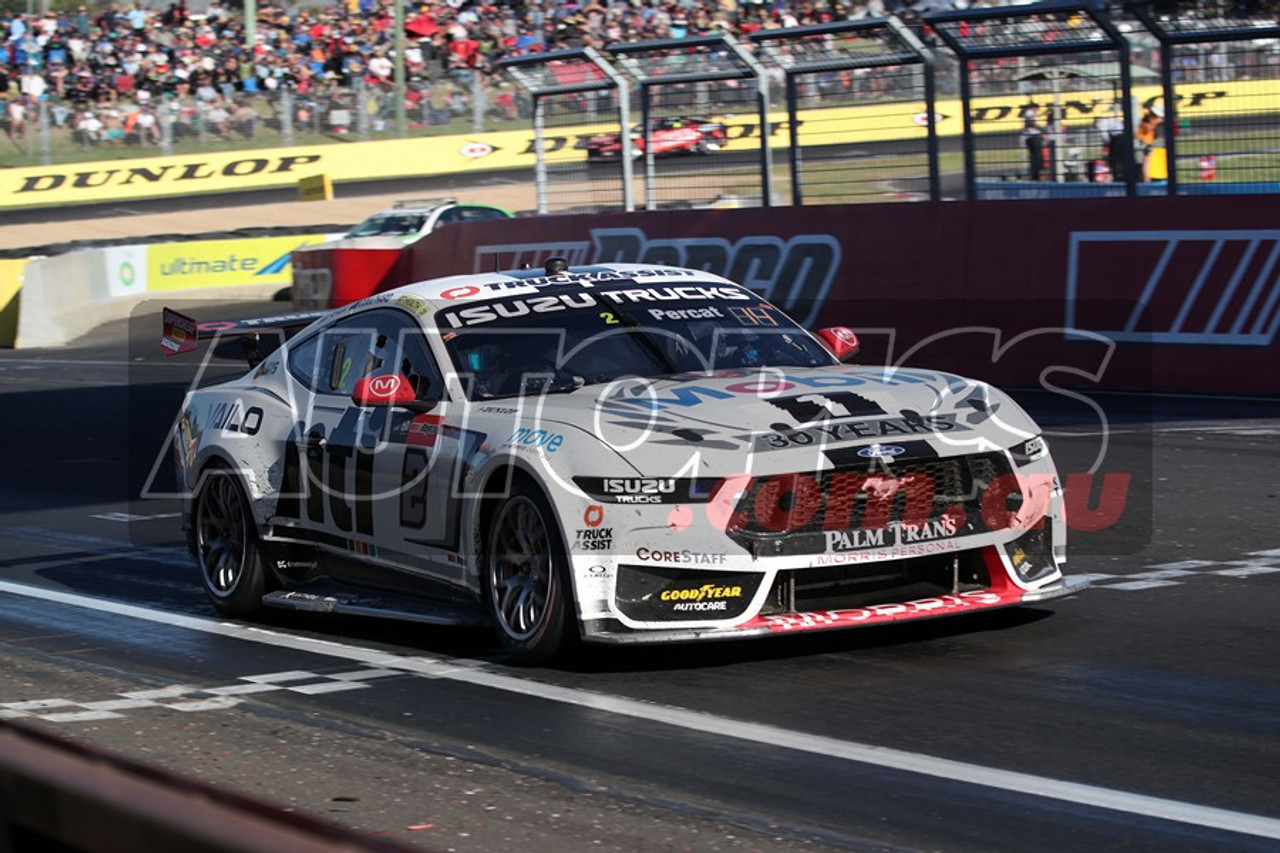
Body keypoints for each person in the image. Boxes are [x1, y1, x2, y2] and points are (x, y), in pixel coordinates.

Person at [1135, 103, 1164, 182]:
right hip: (1145, 145)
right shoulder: (1146, 123)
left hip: (1149, 146)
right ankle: (1147, 180)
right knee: (1147, 159)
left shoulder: (1159, 127)